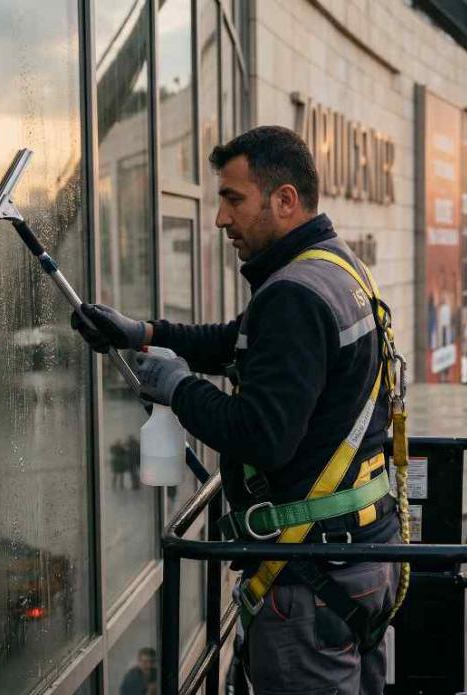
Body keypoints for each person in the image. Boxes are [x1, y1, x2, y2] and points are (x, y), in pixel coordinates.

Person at [71, 126, 398, 694]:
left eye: (233, 199)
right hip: (360, 560)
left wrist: (178, 388)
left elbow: (261, 437)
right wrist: (143, 332)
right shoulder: (335, 268)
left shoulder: (292, 294)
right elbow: (242, 341)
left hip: (311, 575)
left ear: (285, 200)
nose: (221, 219)